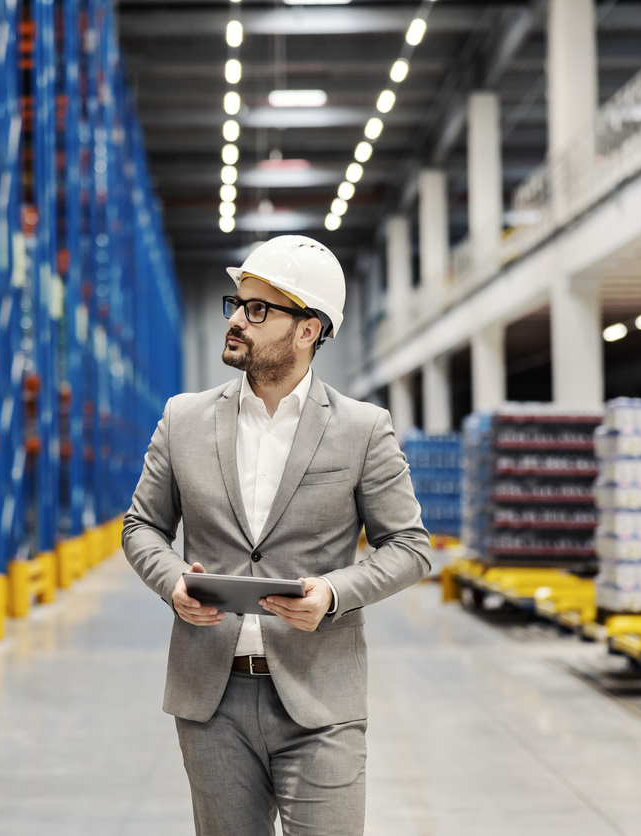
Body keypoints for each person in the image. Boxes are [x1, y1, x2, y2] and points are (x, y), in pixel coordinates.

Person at [122, 235, 432, 836]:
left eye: (258, 309)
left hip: (321, 697)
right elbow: (143, 527)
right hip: (212, 699)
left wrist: (334, 593)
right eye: (236, 305)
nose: (237, 320)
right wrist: (173, 581)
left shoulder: (363, 430)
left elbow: (409, 547)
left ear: (308, 330)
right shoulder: (182, 420)